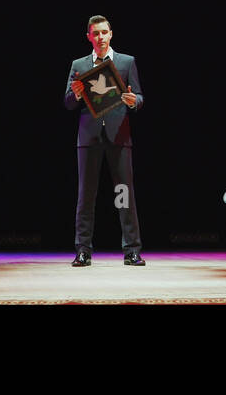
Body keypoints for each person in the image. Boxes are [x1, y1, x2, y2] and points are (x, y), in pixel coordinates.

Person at [63, 14, 145, 266]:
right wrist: (75, 95)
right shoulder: (79, 64)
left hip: (119, 136)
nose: (100, 37)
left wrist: (134, 102)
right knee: (86, 195)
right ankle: (83, 250)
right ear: (89, 36)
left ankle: (132, 250)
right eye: (95, 33)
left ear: (111, 34)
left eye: (103, 32)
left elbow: (139, 96)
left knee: (124, 194)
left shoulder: (126, 62)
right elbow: (67, 102)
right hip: (89, 138)